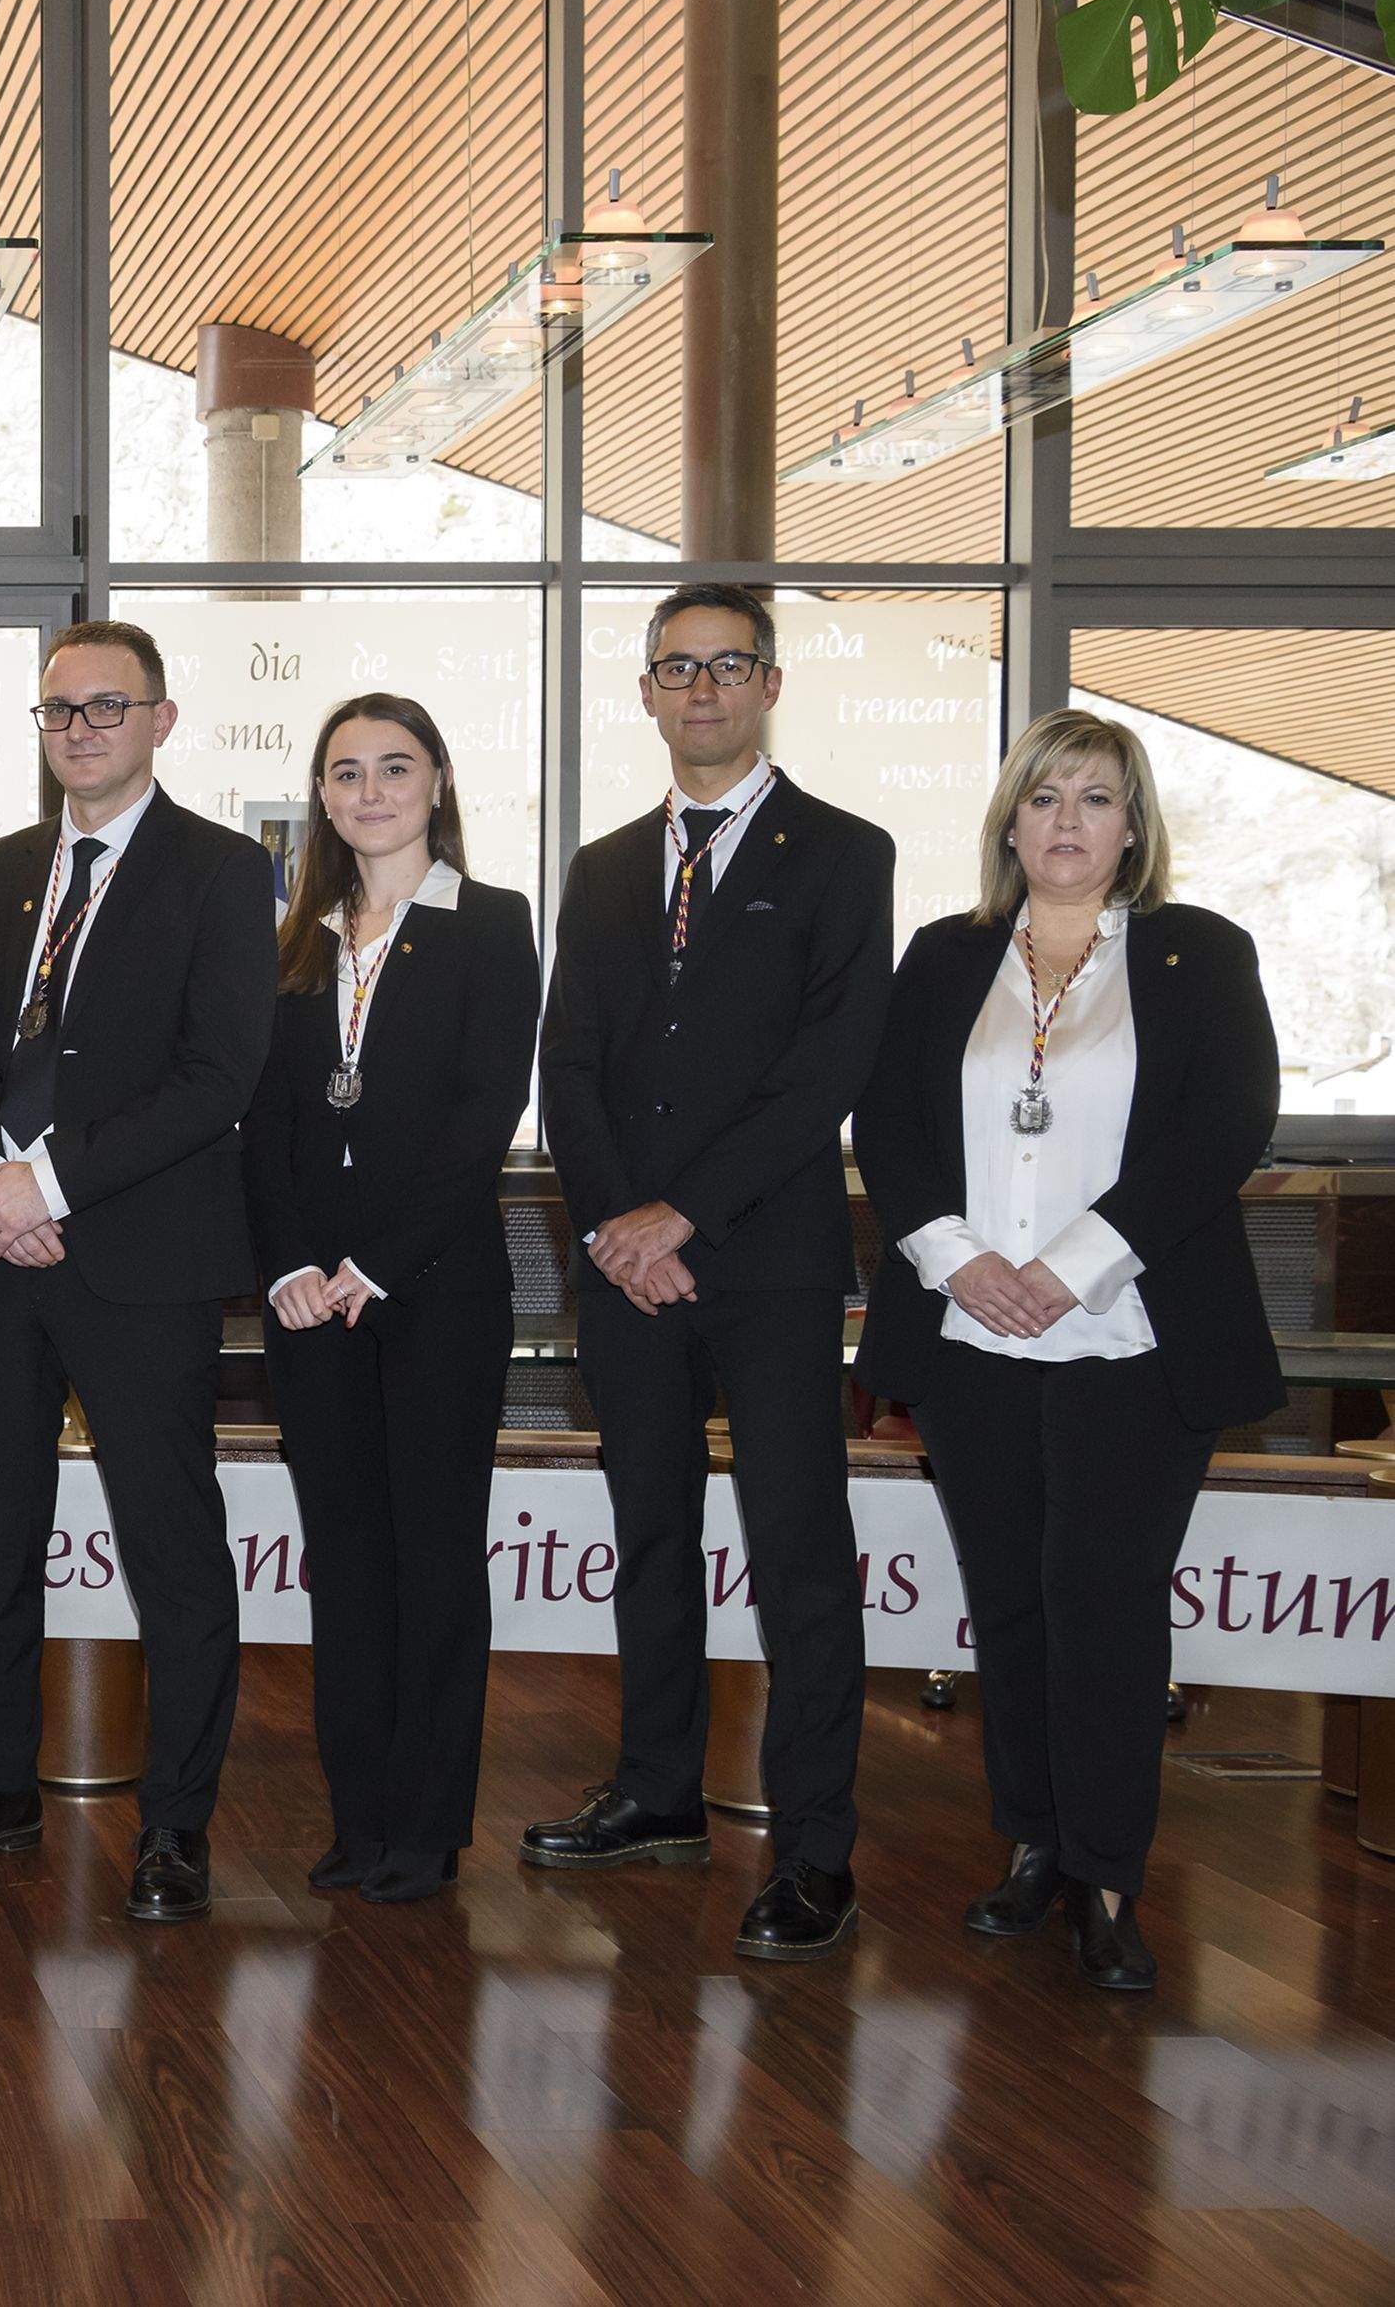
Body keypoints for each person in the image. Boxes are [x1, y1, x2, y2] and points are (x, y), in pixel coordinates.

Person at [855, 709, 1278, 1992]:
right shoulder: (945, 957)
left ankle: (1107, 1875)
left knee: (1105, 1603)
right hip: (974, 1337)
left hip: (1135, 1340)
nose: (1068, 823)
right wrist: (963, 1261)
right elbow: (890, 1126)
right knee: (1017, 1601)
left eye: (1095, 800)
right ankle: (1033, 1842)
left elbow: (1224, 1129)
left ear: (1133, 826)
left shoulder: (1200, 954)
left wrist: (1072, 1266)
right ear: (1010, 823)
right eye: (1045, 800)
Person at [526, 581, 894, 1961]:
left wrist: (679, 1213)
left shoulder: (844, 853)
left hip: (771, 1264)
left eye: (724, 666)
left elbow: (827, 1069)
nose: (699, 691)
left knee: (799, 1553)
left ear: (768, 683)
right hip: (627, 1269)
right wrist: (620, 1223)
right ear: (641, 692)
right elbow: (566, 1062)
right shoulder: (605, 863)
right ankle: (654, 1790)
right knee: (647, 1536)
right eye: (673, 670)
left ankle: (812, 1850)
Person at [0, 620, 277, 1924]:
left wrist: (46, 1186)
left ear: (159, 720)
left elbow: (217, 1074)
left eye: (105, 706)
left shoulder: (223, 872)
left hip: (138, 1262)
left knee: (166, 1547)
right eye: (57, 709)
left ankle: (174, 1821)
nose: (79, 728)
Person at [242, 695, 537, 1905]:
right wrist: (290, 1267)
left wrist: (374, 1266)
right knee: (347, 1565)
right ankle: (357, 1818)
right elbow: (262, 1125)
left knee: (433, 1566)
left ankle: (425, 1830)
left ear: (440, 778)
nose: (370, 791)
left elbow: (483, 1121)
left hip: (435, 1297)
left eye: (394, 767)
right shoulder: (298, 936)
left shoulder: (491, 924)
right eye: (346, 772)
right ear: (322, 795)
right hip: (311, 1307)